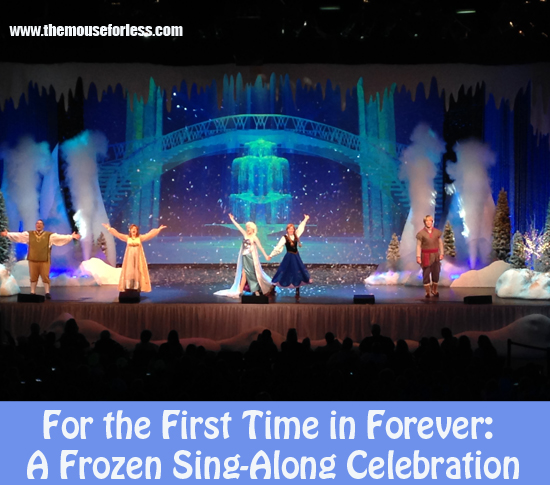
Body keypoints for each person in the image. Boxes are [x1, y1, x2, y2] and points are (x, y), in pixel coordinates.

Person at [0, 219, 81, 299]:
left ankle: (47, 292)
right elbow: (19, 236)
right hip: (33, 259)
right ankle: (32, 292)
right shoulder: (29, 234)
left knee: (45, 276)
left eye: (40, 223)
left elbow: (60, 238)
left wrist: (71, 236)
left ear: (43, 226)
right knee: (33, 276)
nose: (39, 225)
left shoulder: (49, 235)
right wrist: (8, 234)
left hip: (44, 259)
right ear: (35, 225)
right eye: (37, 223)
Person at [214, 213, 272, 298]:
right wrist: (232, 219)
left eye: (249, 228)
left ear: (253, 229)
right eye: (247, 228)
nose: (248, 229)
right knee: (244, 273)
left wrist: (266, 256)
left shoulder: (254, 237)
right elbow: (239, 227)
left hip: (251, 258)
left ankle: (255, 290)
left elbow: (260, 247)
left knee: (251, 273)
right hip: (245, 257)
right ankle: (241, 291)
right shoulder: (245, 235)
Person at [102, 222, 166, 292]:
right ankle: (128, 285)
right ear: (130, 230)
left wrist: (158, 229)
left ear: (137, 230)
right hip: (129, 257)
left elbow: (149, 235)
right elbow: (118, 234)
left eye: (135, 229)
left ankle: (136, 286)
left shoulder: (140, 238)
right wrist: (109, 228)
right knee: (129, 270)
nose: (134, 230)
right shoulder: (127, 238)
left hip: (138, 257)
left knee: (137, 270)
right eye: (132, 229)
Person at [269, 215, 311, 299]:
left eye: (292, 229)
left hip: (296, 257)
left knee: (297, 272)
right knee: (282, 271)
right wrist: (271, 255)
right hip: (289, 257)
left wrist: (305, 219)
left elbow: (301, 228)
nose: (291, 230)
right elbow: (278, 247)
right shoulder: (284, 238)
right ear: (287, 230)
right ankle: (272, 289)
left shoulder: (296, 235)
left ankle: (297, 292)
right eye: (289, 229)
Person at [416, 214, 443, 297]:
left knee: (436, 272)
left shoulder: (437, 232)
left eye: (430, 221)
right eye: (426, 221)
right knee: (426, 273)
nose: (428, 222)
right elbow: (418, 245)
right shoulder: (421, 233)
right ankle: (427, 292)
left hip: (435, 255)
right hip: (426, 255)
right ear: (424, 222)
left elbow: (440, 243)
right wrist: (418, 256)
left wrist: (442, 253)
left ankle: (434, 290)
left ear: (432, 222)